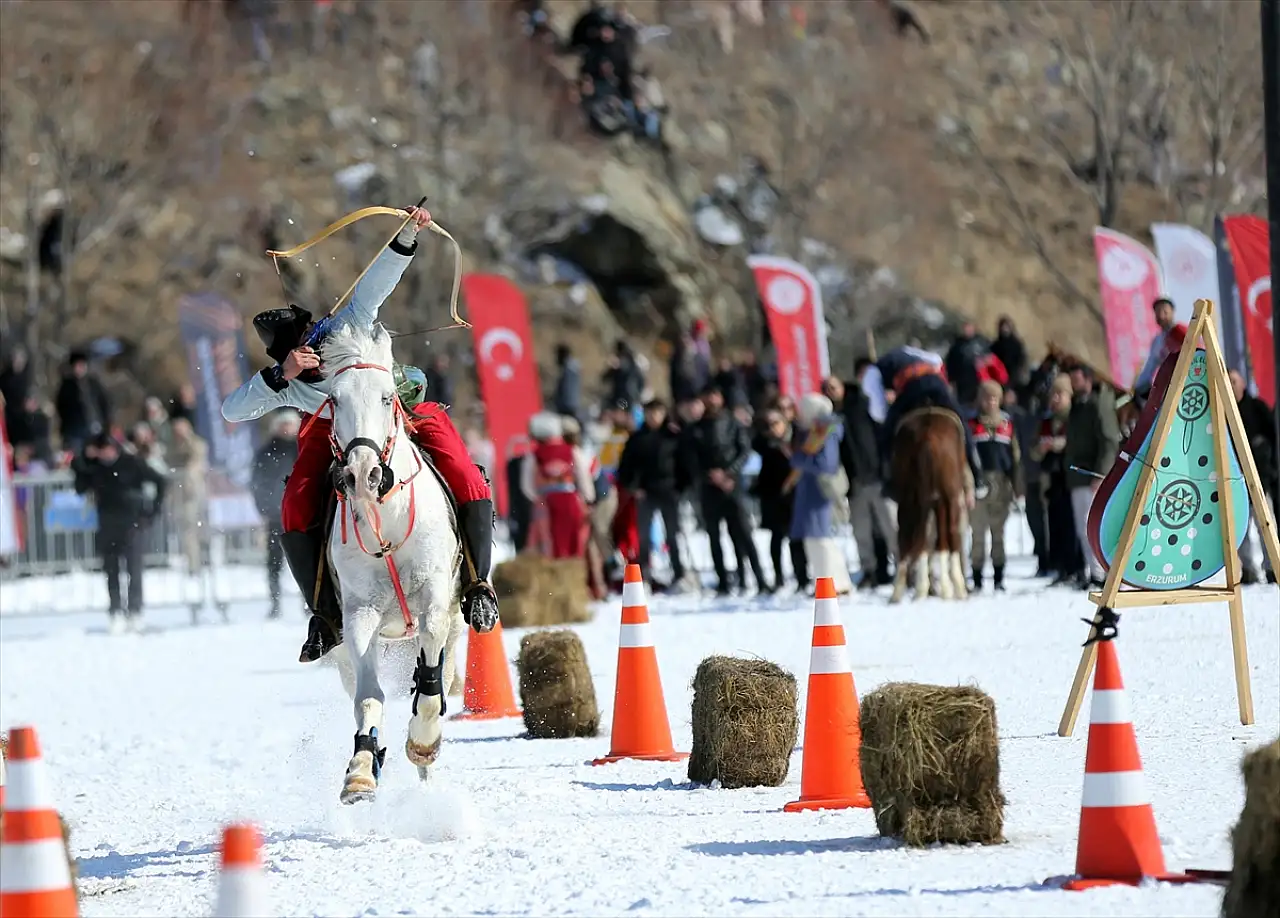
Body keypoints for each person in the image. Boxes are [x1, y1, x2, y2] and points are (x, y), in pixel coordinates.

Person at [220, 204, 499, 664]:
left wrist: (407, 236)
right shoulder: (288, 383)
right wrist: (280, 376)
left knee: (465, 474)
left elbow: (375, 285)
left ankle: (476, 584)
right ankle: (324, 613)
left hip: (396, 415)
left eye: (309, 339)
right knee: (293, 506)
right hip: (333, 439)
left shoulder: (345, 327)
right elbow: (233, 411)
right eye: (298, 352)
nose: (310, 351)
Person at [862, 344, 986, 501]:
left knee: (886, 435)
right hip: (936, 382)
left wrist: (892, 412)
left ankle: (888, 480)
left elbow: (878, 412)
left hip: (910, 388)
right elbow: (936, 360)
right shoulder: (907, 350)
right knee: (961, 423)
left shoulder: (872, 372)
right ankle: (977, 473)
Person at [72, 432, 167, 633]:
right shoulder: (96, 468)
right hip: (107, 525)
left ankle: (135, 610)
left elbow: (160, 480)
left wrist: (153, 511)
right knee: (112, 571)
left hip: (133, 525)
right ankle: (115, 610)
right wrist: (84, 457)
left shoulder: (131, 463)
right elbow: (80, 485)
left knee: (134, 569)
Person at [789, 393, 853, 595]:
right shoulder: (816, 431)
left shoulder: (825, 432)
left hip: (818, 493)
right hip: (811, 491)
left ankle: (829, 583)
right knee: (816, 540)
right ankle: (835, 582)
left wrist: (799, 460)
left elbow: (827, 465)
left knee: (819, 540)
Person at [968, 381, 1020, 591]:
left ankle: (999, 576)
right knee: (977, 532)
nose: (990, 402)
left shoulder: (1007, 425)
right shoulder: (971, 425)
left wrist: (1018, 486)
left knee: (998, 533)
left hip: (1001, 483)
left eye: (994, 398)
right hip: (978, 483)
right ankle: (977, 575)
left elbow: (1015, 458)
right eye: (986, 398)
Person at [252, 409, 301, 619]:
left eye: (291, 425)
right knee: (274, 562)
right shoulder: (266, 451)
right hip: (276, 515)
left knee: (302, 562)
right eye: (284, 424)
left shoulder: (303, 448)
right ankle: (274, 601)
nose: (287, 429)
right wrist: (264, 508)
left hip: (300, 515)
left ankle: (310, 603)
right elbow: (257, 481)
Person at [1133, 296, 1187, 401]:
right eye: (1158, 312)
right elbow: (1150, 365)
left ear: (1172, 312)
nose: (1161, 315)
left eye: (1164, 311)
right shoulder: (1158, 340)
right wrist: (1140, 387)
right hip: (1168, 386)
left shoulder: (1181, 331)